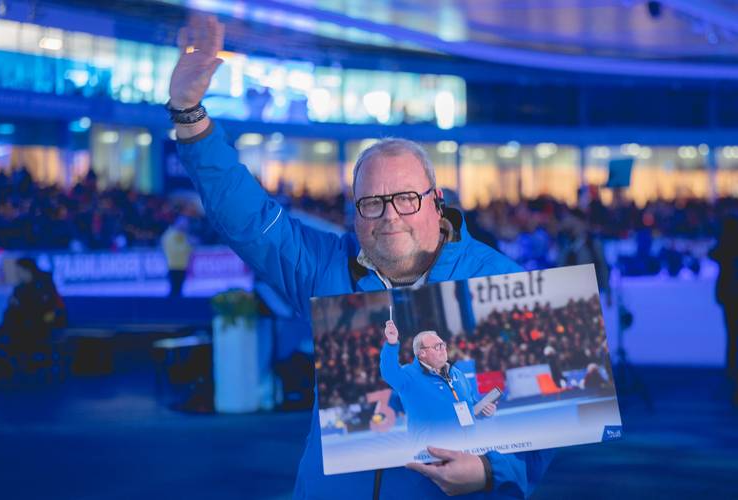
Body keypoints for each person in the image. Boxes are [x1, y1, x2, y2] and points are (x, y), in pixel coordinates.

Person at [169, 15, 553, 498]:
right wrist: (190, 116)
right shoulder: (325, 268)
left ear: (437, 201)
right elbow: (246, 217)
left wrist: (493, 473)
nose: (390, 216)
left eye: (406, 198)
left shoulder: (500, 280)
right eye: (372, 202)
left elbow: (541, 420)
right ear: (355, 211)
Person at [380, 321, 496, 447]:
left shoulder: (457, 373)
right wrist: (392, 344)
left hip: (468, 449)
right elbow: (389, 372)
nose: (443, 349)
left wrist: (484, 411)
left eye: (443, 345)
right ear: (422, 353)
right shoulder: (409, 375)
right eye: (437, 346)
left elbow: (471, 405)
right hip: (433, 454)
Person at [709, 215, 738, 404]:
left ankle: (731, 373)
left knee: (732, 336)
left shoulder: (725, 247)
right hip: (730, 296)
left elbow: (714, 254)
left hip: (728, 296)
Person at [161, 216, 193, 297]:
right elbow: (174, 251)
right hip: (173, 267)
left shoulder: (182, 235)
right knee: (175, 291)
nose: (186, 226)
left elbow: (188, 250)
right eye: (184, 224)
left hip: (182, 266)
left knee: (178, 291)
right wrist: (188, 245)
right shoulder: (170, 235)